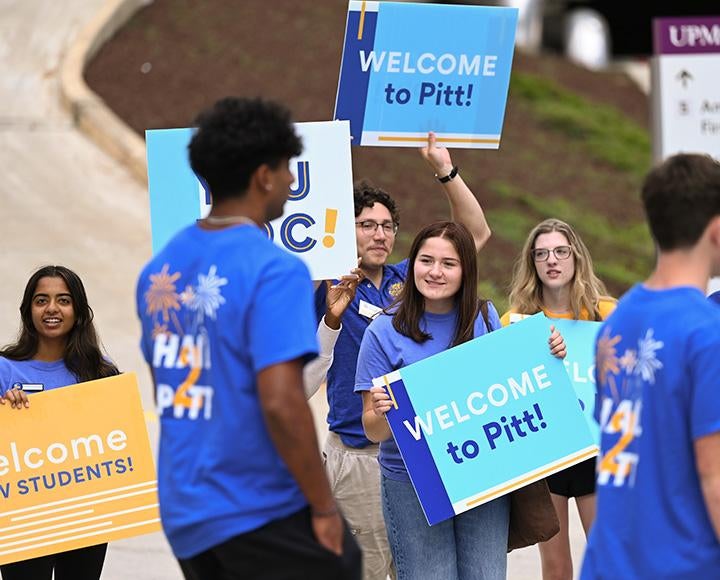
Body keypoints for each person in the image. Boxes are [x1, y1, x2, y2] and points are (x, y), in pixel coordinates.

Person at [136, 97, 360, 580]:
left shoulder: (159, 271)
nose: (291, 181)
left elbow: (169, 383)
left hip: (184, 507)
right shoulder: (274, 269)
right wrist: (322, 507)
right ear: (264, 176)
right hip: (252, 503)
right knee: (345, 561)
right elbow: (282, 402)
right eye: (287, 169)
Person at [306, 133, 492, 580]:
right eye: (367, 224)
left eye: (388, 225)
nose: (380, 234)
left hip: (422, 455)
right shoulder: (321, 284)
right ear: (342, 229)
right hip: (361, 454)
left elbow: (474, 233)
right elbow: (303, 377)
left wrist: (444, 170)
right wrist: (330, 314)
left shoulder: (409, 280)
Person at [355, 221, 567, 580]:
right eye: (425, 261)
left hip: (478, 473)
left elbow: (514, 389)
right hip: (413, 483)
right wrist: (382, 412)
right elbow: (372, 431)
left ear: (465, 269)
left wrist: (549, 354)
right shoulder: (382, 331)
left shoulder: (484, 319)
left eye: (448, 264)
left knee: (484, 575)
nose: (435, 272)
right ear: (413, 265)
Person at [581, 154, 720, 578]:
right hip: (681, 564)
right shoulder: (707, 333)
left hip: (611, 563)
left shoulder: (618, 320)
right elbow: (714, 477)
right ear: (716, 231)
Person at [500, 218, 616, 580]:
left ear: (576, 257)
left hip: (598, 450)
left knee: (608, 561)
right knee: (556, 567)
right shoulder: (515, 323)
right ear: (532, 262)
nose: (552, 260)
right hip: (546, 456)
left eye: (561, 251)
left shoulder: (607, 312)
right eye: (542, 253)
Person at [0, 265, 119, 580]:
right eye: (41, 300)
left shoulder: (102, 374)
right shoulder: (4, 369)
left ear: (78, 311)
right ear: (28, 310)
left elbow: (118, 444)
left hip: (85, 514)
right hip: (21, 517)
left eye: (63, 300)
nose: (52, 308)